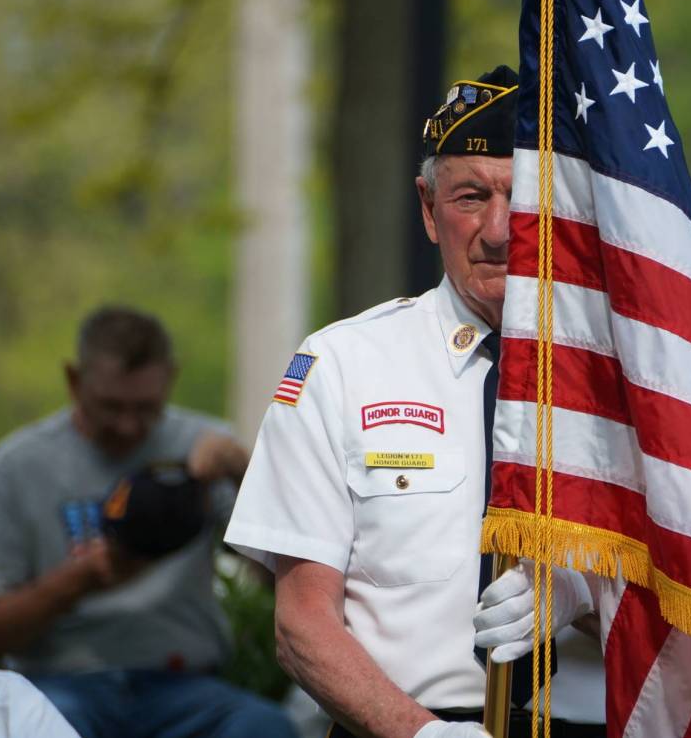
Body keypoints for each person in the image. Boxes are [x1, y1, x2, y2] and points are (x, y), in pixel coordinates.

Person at [224, 66, 607, 738]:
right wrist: (422, 734)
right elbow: (301, 621)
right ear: (428, 210)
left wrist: (581, 596)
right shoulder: (344, 366)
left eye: (521, 200)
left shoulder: (622, 380)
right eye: (468, 198)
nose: (496, 230)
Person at [0, 306, 297, 738]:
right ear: (74, 380)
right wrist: (83, 579)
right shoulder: (19, 465)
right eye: (111, 406)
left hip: (184, 687)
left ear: (170, 379)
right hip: (60, 684)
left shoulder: (203, 448)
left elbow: (284, 581)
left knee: (265, 728)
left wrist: (245, 475)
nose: (128, 425)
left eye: (146, 407)